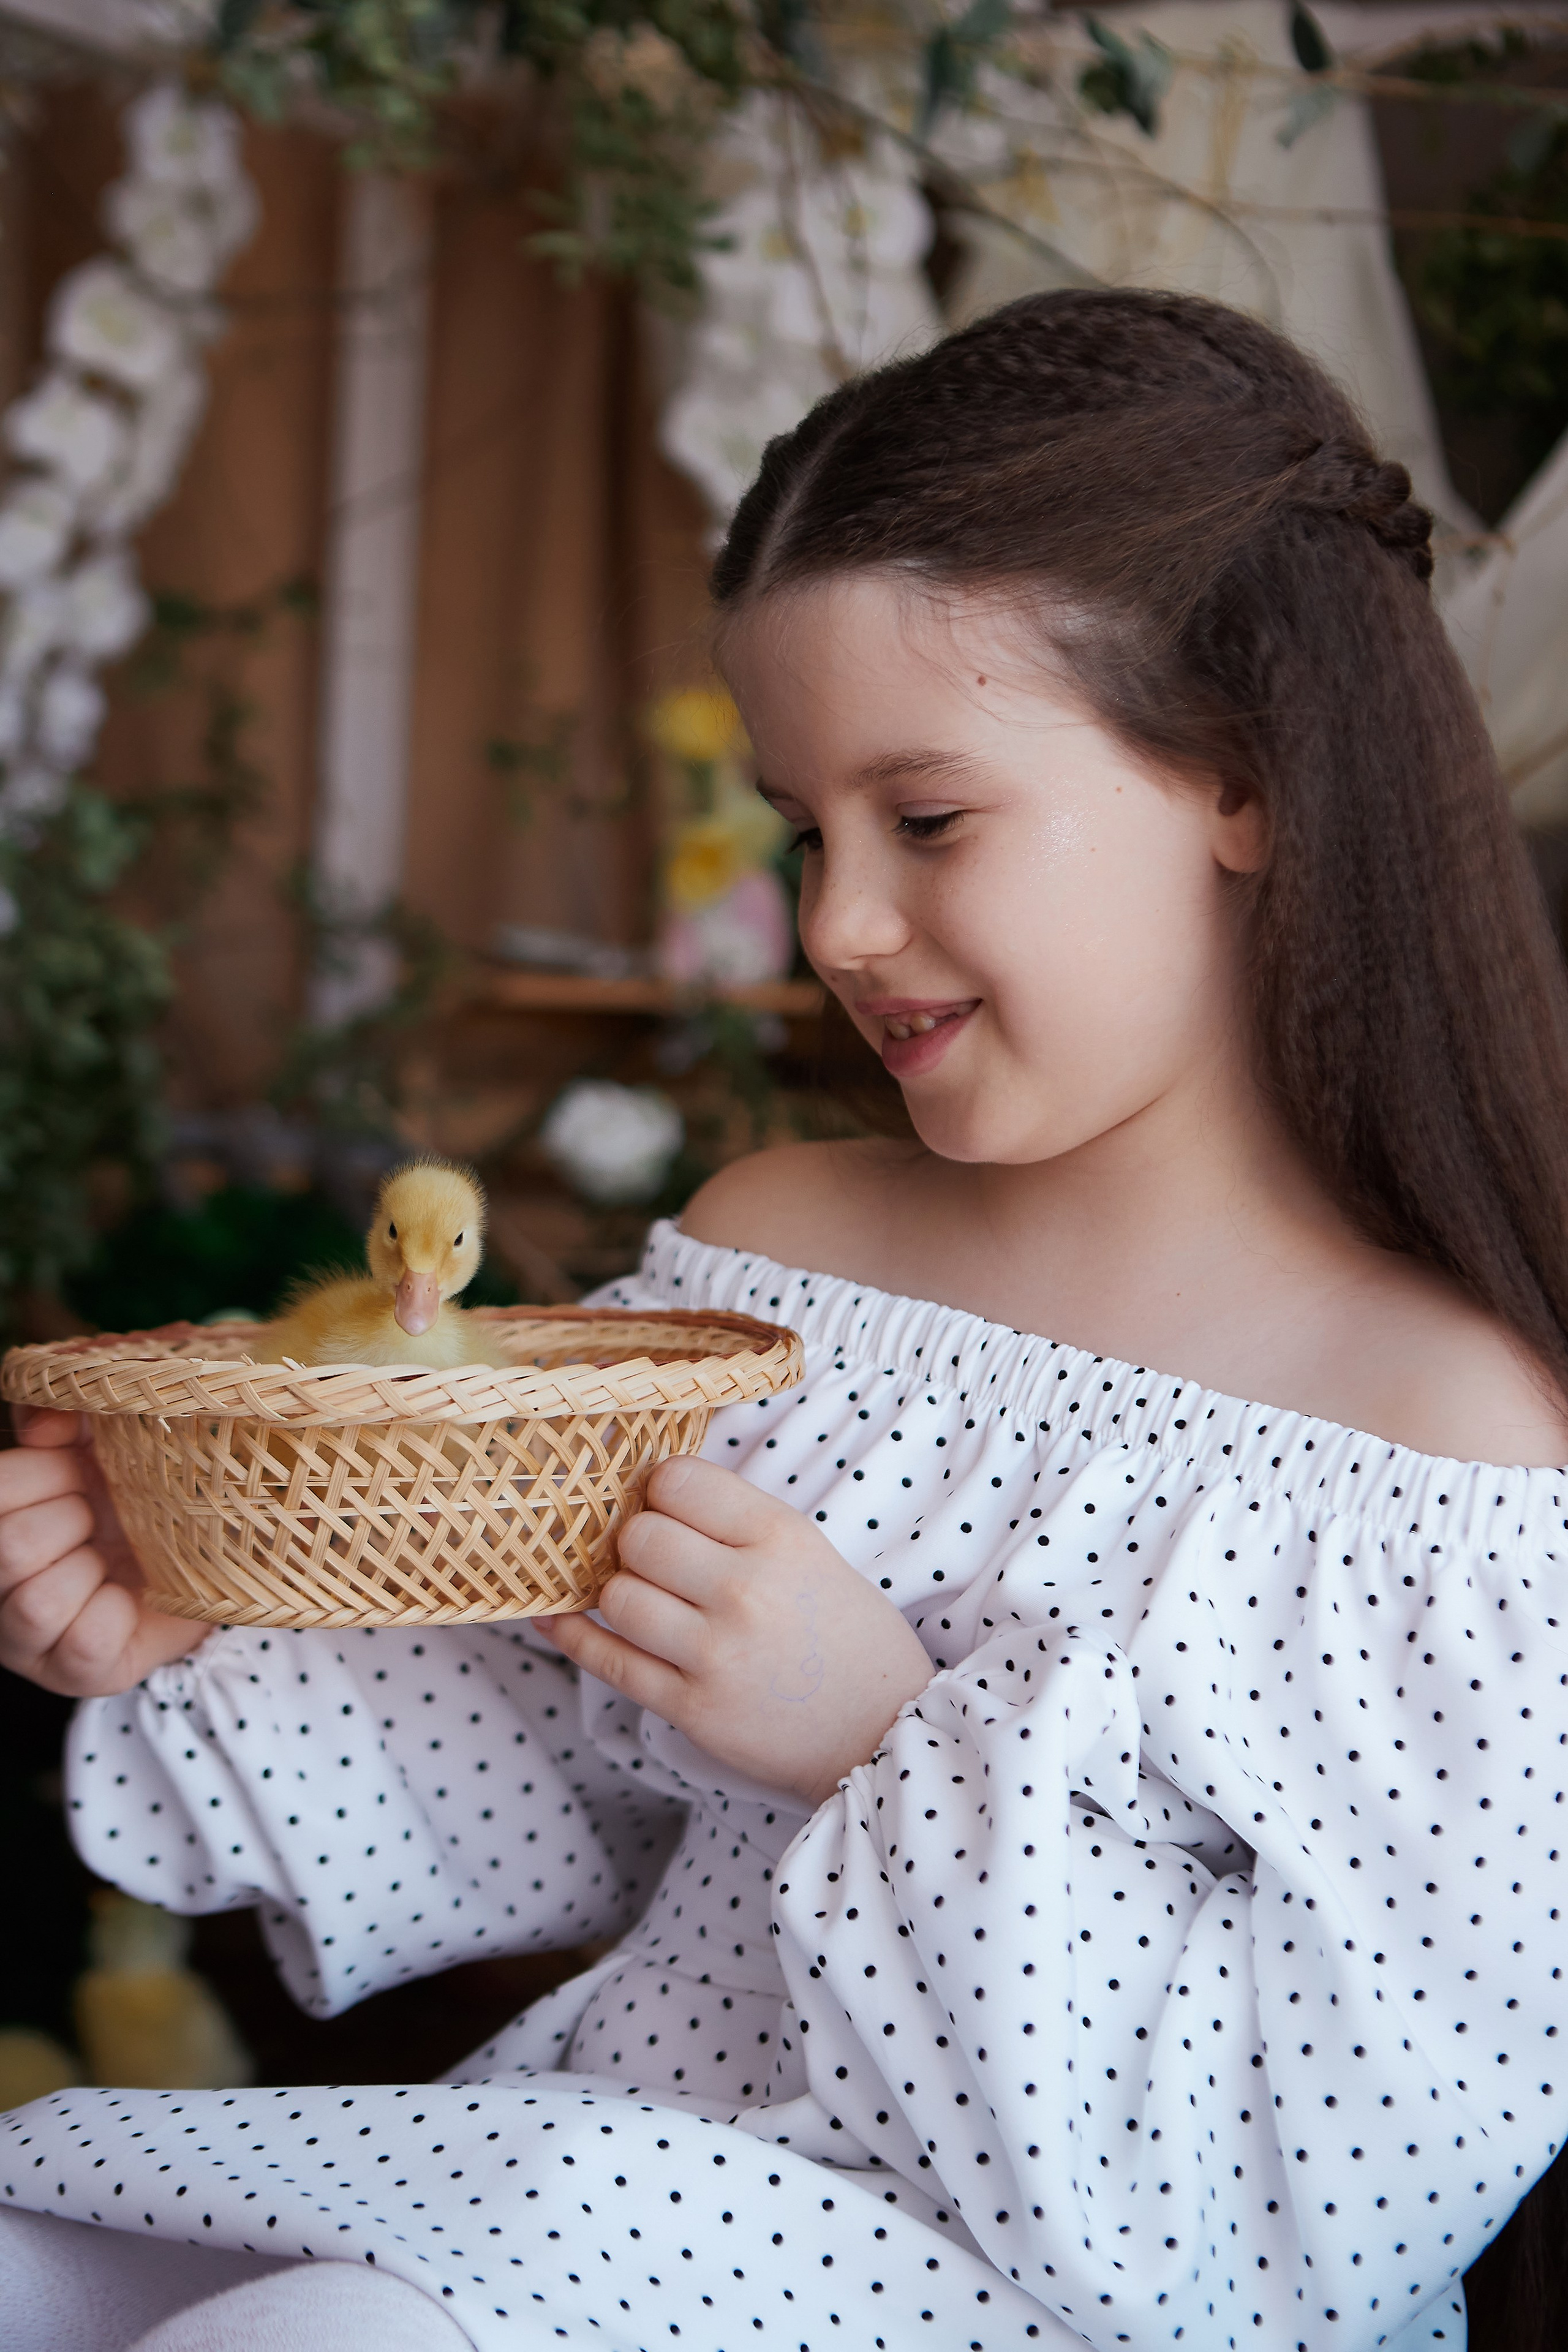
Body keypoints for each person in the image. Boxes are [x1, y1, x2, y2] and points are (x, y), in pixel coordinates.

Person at [2, 287, 1567, 2352]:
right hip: (624, 2178)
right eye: (805, 829)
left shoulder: (1455, 1459)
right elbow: (532, 1742)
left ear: (1245, 776)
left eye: (928, 819)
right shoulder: (778, 1261)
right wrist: (175, 1624)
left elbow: (1305, 2221)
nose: (834, 923)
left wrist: (879, 1740)